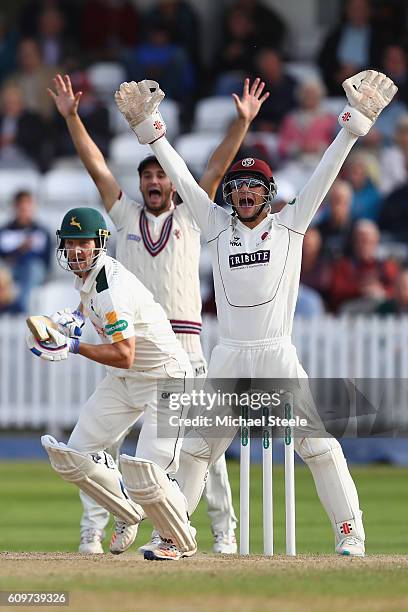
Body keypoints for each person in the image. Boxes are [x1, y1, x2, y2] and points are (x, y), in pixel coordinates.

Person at [114, 69, 397, 560]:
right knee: (199, 449)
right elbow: (180, 174)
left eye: (253, 186)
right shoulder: (215, 225)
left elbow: (325, 173)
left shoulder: (291, 222)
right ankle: (173, 537)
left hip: (275, 355)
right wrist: (151, 129)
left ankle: (350, 533)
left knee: (318, 445)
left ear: (267, 194)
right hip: (228, 357)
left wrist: (353, 126)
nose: (244, 191)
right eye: (238, 185)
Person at [48, 73, 269, 554]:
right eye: (147, 175)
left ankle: (222, 535)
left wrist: (241, 122)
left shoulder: (191, 214)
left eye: (161, 175)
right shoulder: (124, 218)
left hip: (184, 351)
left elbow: (214, 169)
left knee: (202, 453)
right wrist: (72, 119)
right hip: (129, 347)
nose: (154, 181)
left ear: (171, 181)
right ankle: (101, 528)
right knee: (102, 447)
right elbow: (98, 169)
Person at [35, 206, 196, 562]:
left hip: (166, 380)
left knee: (150, 475)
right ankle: (127, 511)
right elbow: (92, 307)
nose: (77, 251)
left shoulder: (111, 287)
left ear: (100, 244)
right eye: (71, 243)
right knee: (74, 456)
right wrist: (74, 319)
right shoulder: (89, 278)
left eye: (84, 243)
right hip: (126, 380)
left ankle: (176, 539)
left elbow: (124, 352)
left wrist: (74, 346)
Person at [0, 190, 51, 312]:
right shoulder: (5, 231)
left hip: (33, 270)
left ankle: (20, 305)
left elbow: (45, 260)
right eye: (21, 208)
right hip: (11, 269)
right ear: (15, 208)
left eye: (27, 207)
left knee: (33, 268)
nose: (24, 211)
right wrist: (19, 250)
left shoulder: (42, 232)